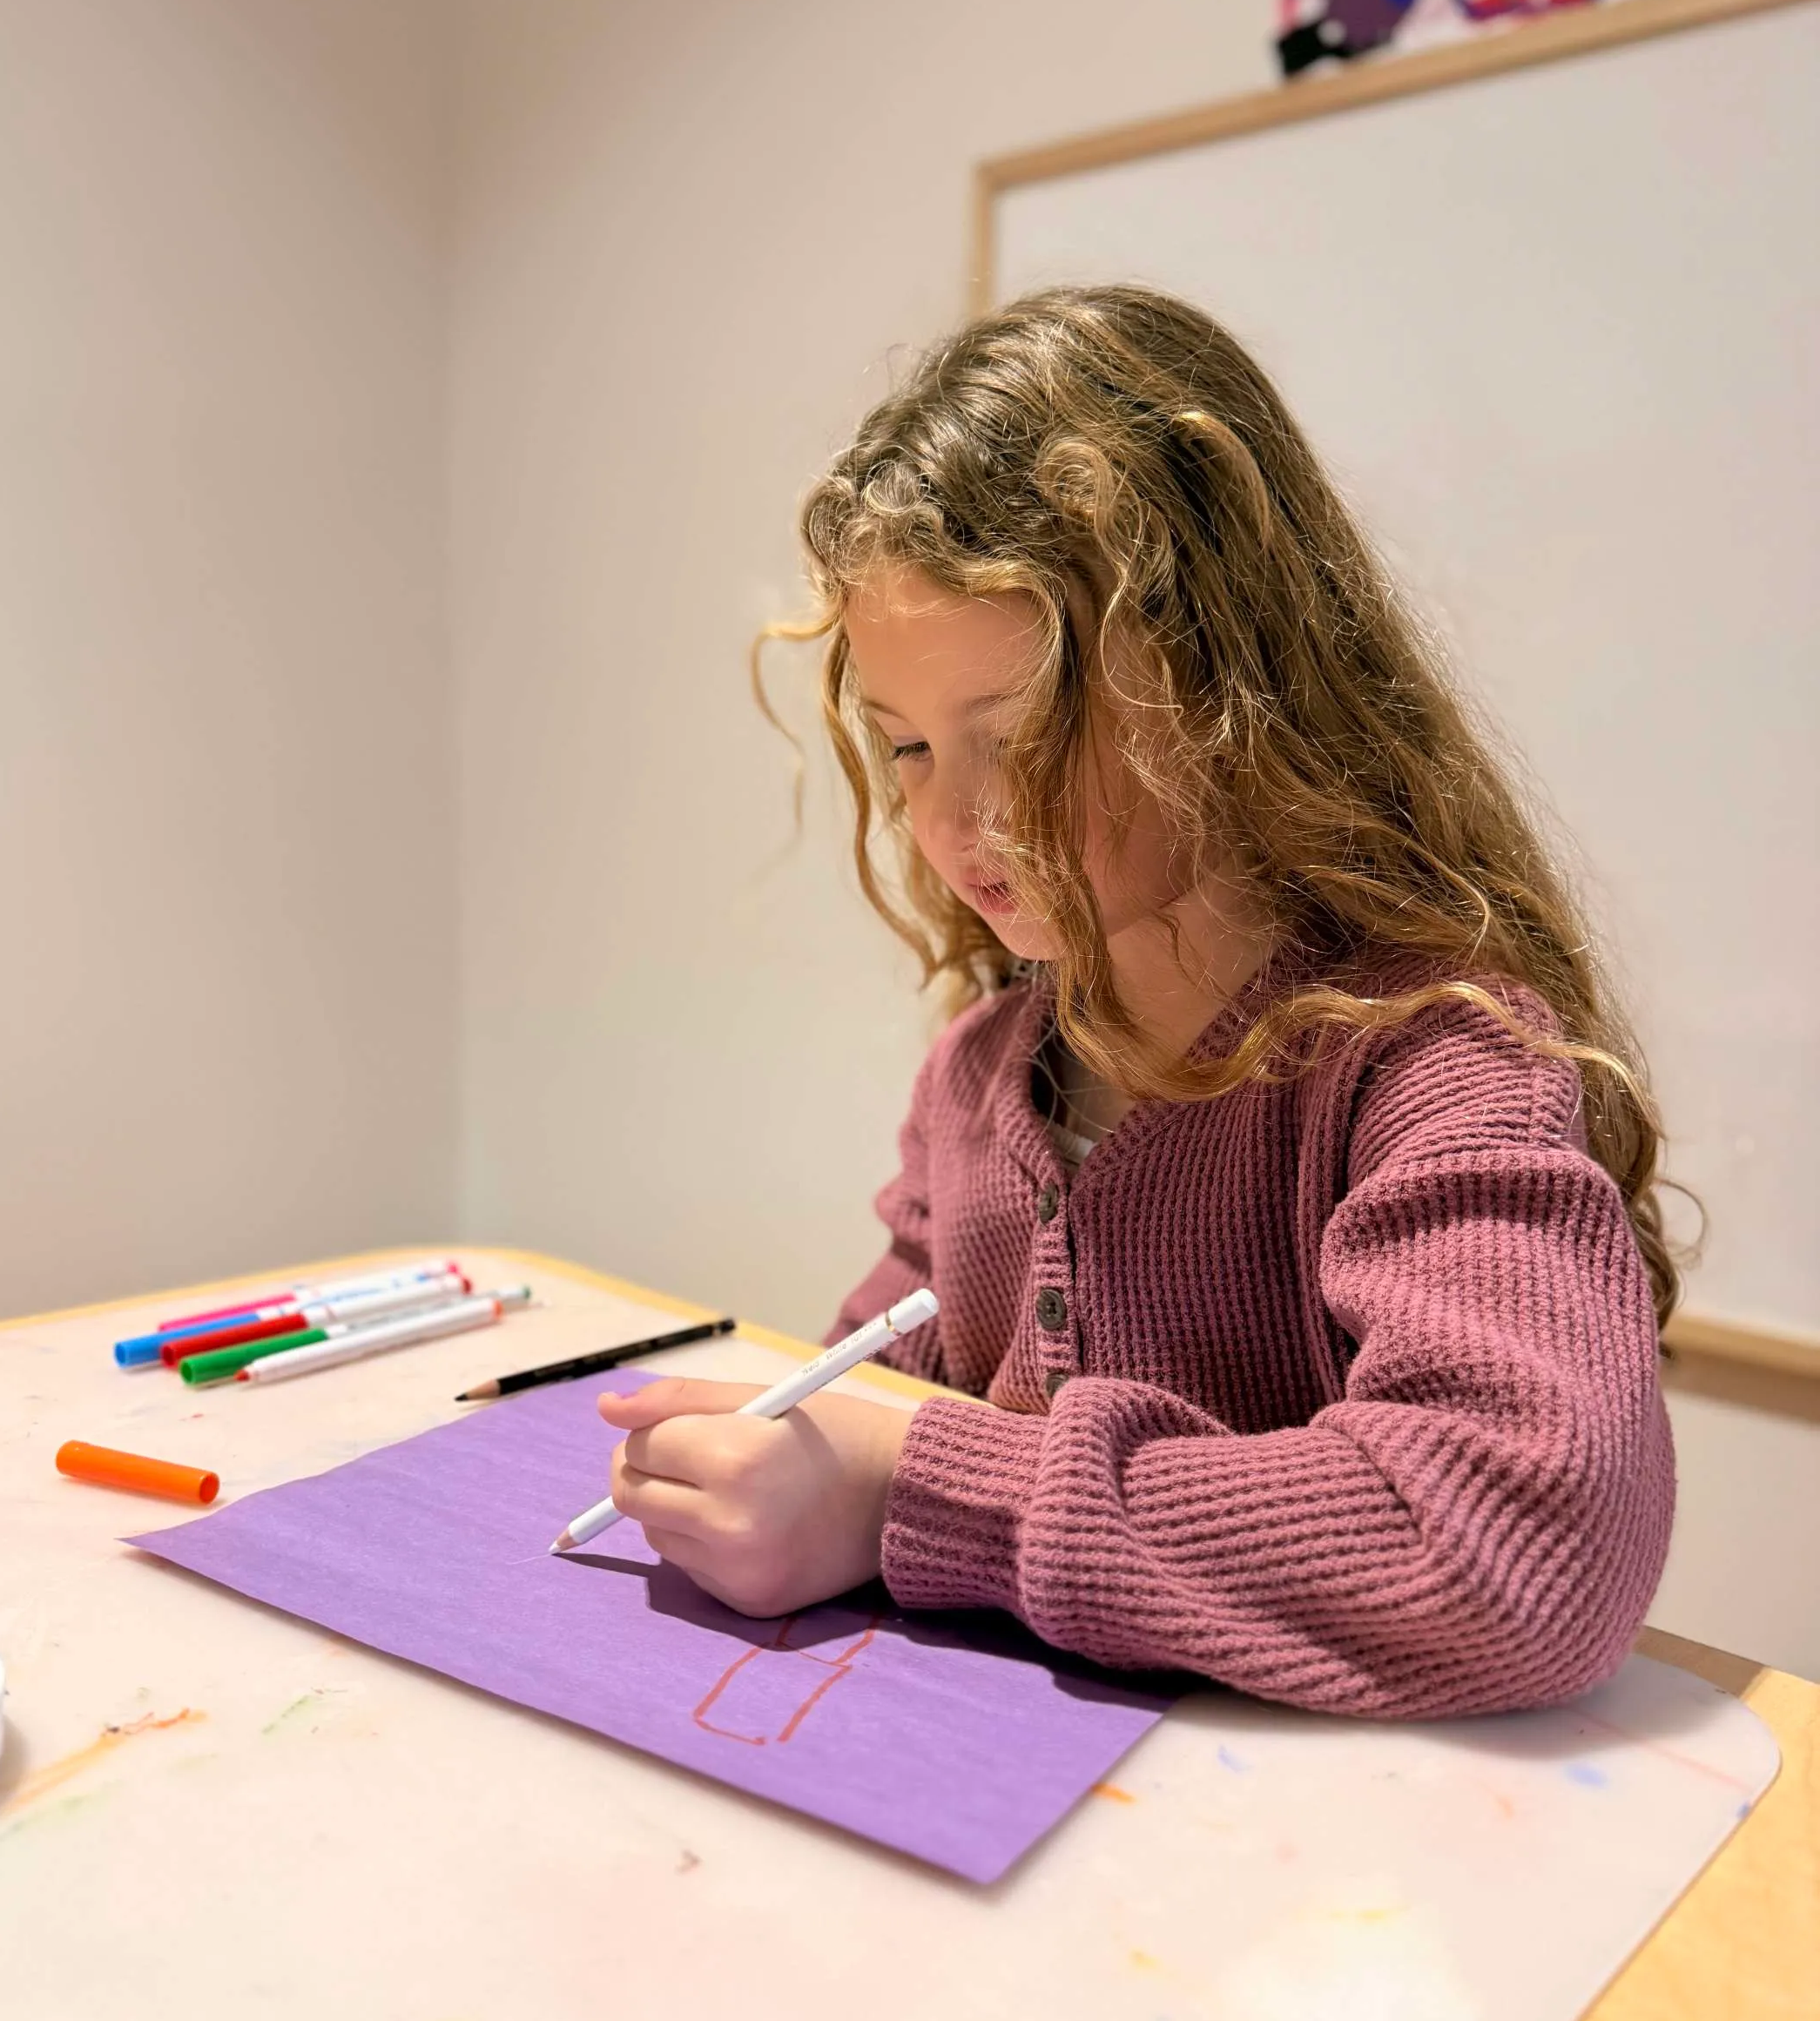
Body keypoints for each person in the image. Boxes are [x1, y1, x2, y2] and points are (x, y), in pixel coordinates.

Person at [597, 285, 1676, 1718]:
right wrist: (781, 1451)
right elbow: (881, 1379)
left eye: (1023, 729)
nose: (954, 821)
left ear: (1234, 687)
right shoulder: (983, 1071)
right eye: (907, 747)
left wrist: (908, 1498)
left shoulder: (1434, 1061)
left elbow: (1516, 1543)